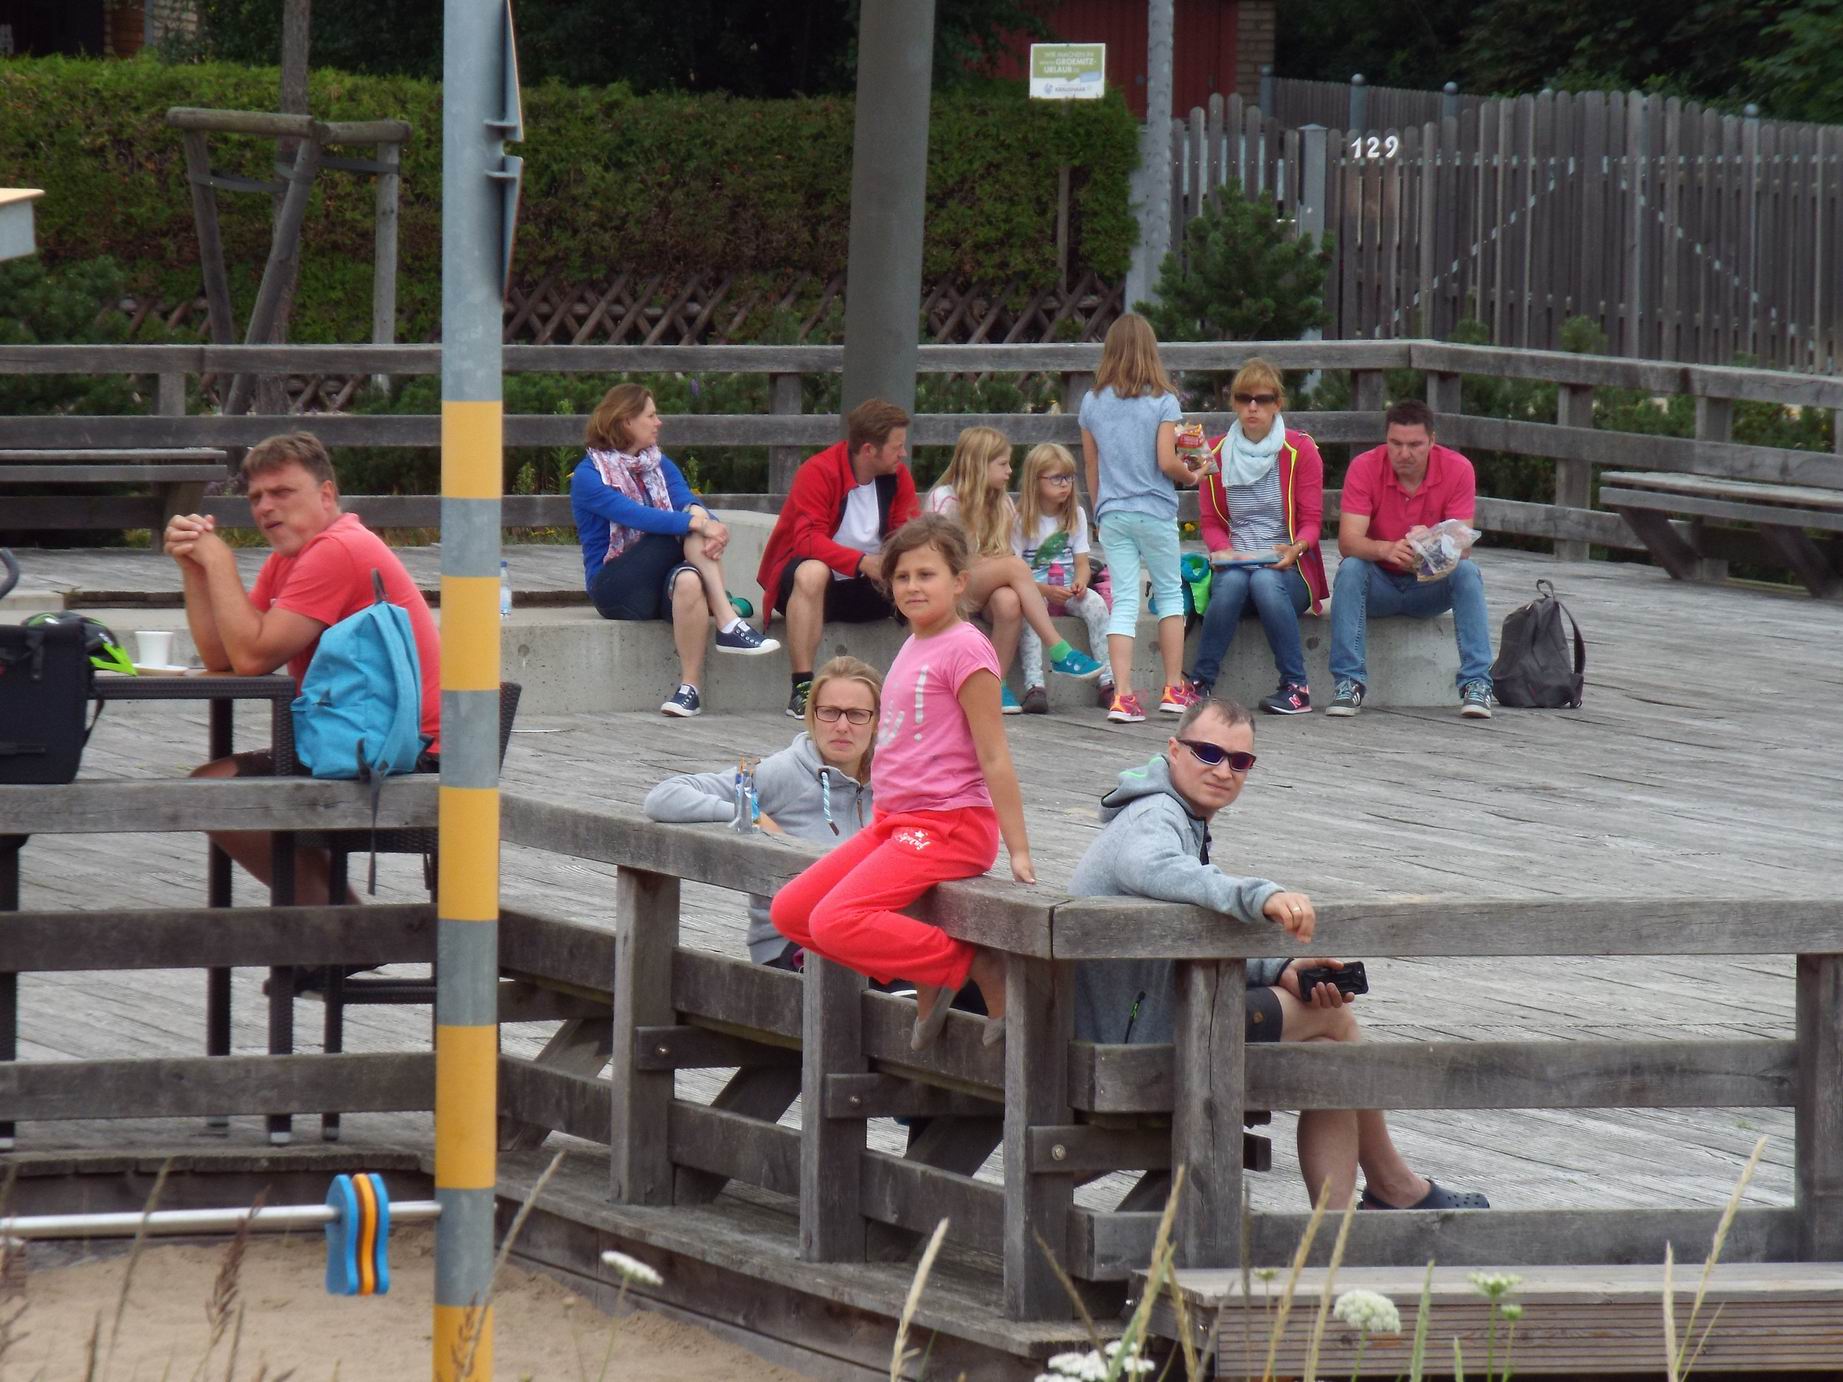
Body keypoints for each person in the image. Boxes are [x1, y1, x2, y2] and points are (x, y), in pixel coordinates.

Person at [1070, 695, 1489, 1211]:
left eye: (1240, 761)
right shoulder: (1154, 816)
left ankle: (1341, 1227)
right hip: (1127, 1048)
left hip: (1139, 1026)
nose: (1223, 770)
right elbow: (1157, 870)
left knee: (1328, 1049)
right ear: (1174, 750)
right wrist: (1260, 895)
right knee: (1332, 1022)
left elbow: (1187, 934)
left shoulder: (1179, 816)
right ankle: (1391, 1189)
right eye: (1207, 753)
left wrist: (1282, 967)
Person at [770, 514, 1029, 1052]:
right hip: (898, 823)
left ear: (959, 581)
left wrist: (1018, 849)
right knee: (792, 912)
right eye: (903, 576)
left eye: (926, 574)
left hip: (950, 824)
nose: (912, 586)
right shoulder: (913, 644)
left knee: (836, 921)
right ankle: (932, 969)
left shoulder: (966, 648)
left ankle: (977, 964)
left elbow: (994, 754)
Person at [163, 431, 441, 907]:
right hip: (361, 739)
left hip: (411, 753)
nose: (266, 507)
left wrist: (221, 560)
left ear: (326, 495)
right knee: (212, 789)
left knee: (212, 792)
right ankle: (341, 928)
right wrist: (196, 569)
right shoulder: (289, 559)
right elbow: (223, 657)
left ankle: (343, 931)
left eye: (282, 492)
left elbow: (252, 658)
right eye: (256, 497)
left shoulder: (338, 549)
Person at [645, 656, 880, 969]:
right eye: (829, 712)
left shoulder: (894, 782)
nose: (841, 726)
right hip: (790, 945)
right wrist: (751, 813)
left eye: (857, 714)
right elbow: (664, 796)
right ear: (812, 716)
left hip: (868, 935)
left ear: (878, 721)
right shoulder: (784, 771)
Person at [571, 383, 778, 720]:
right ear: (626, 421)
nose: (659, 422)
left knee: (689, 579)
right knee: (685, 527)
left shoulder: (658, 464)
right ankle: (727, 620)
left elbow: (686, 501)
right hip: (614, 588)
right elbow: (637, 516)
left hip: (660, 582)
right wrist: (699, 524)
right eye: (651, 416)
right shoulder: (589, 475)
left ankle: (689, 689)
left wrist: (706, 521)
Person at [1327, 399, 1494, 719]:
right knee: (1351, 568)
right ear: (1386, 439)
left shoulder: (1458, 468)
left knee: (1467, 572)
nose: (1404, 453)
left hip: (1428, 585)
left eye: (1415, 445)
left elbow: (1463, 547)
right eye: (1396, 443)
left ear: (1432, 441)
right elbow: (1348, 542)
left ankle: (1477, 683)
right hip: (1379, 584)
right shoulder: (1365, 466)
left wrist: (1431, 542)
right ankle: (1348, 681)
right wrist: (1386, 549)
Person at [756, 398, 920, 720]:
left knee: (923, 579)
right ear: (869, 450)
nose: (903, 453)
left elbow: (908, 532)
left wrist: (896, 562)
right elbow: (806, 539)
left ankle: (925, 683)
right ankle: (802, 687)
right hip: (815, 585)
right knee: (813, 571)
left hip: (869, 584)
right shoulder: (819, 471)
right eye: (897, 447)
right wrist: (863, 562)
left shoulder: (898, 477)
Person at [926, 426, 1105, 713]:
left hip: (984, 588)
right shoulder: (945, 499)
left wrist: (990, 564)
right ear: (980, 464)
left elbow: (1002, 553)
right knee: (1015, 565)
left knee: (1009, 601)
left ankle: (994, 684)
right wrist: (987, 563)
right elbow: (936, 558)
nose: (1010, 471)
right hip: (953, 588)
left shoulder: (1003, 503)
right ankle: (1059, 649)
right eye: (1003, 464)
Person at [1080, 313, 1201, 723]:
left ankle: (1123, 695)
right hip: (1155, 510)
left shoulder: (1092, 402)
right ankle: (1173, 688)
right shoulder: (1163, 401)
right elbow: (1167, 461)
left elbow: (1091, 465)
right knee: (1169, 596)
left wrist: (1099, 509)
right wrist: (1193, 473)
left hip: (1113, 512)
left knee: (1124, 601)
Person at [1188, 360, 1327, 715]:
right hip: (1237, 565)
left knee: (1265, 581)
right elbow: (1210, 522)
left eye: (1263, 399)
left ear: (1277, 403)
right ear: (1234, 403)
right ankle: (1200, 683)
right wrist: (1223, 551)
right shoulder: (1214, 452)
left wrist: (1295, 549)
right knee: (1234, 582)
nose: (1253, 407)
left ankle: (1296, 687)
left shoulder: (1300, 450)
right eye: (1244, 398)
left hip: (1287, 569)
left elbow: (1312, 522)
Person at [1014, 443, 1115, 714]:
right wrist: (1044, 590)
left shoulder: (1076, 514)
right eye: (1056, 478)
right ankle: (1035, 685)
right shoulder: (1020, 519)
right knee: (1030, 610)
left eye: (1069, 477)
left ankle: (1107, 681)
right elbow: (1014, 570)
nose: (1065, 485)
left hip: (1068, 588)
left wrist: (1080, 581)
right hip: (1035, 590)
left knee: (1096, 605)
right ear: (1036, 481)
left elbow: (1082, 562)